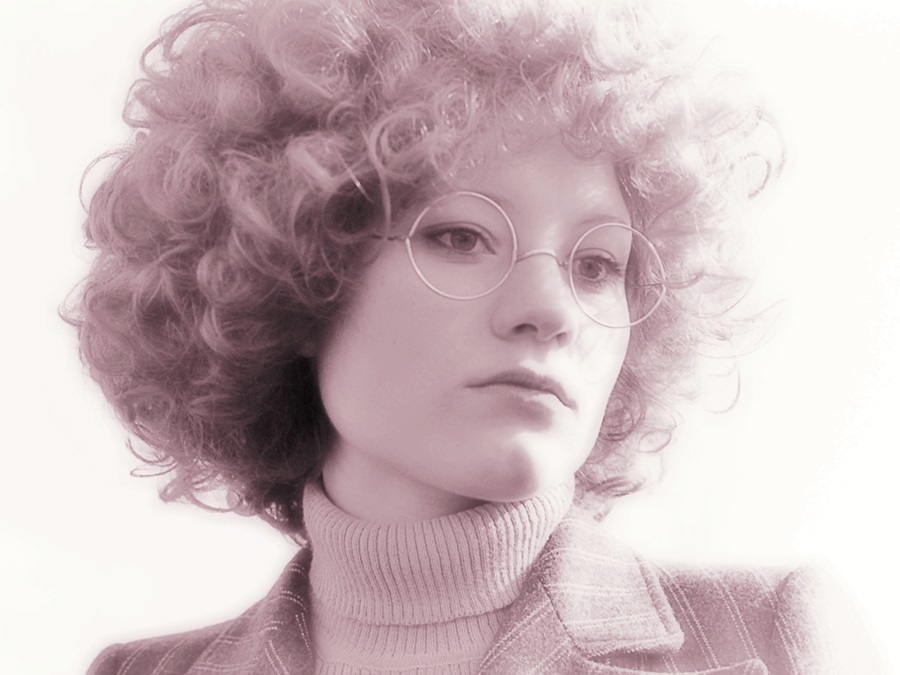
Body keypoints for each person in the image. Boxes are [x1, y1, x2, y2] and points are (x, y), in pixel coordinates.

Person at [66, 0, 878, 672]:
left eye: (598, 264)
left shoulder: (766, 639)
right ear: (292, 276)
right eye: (460, 236)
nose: (551, 309)